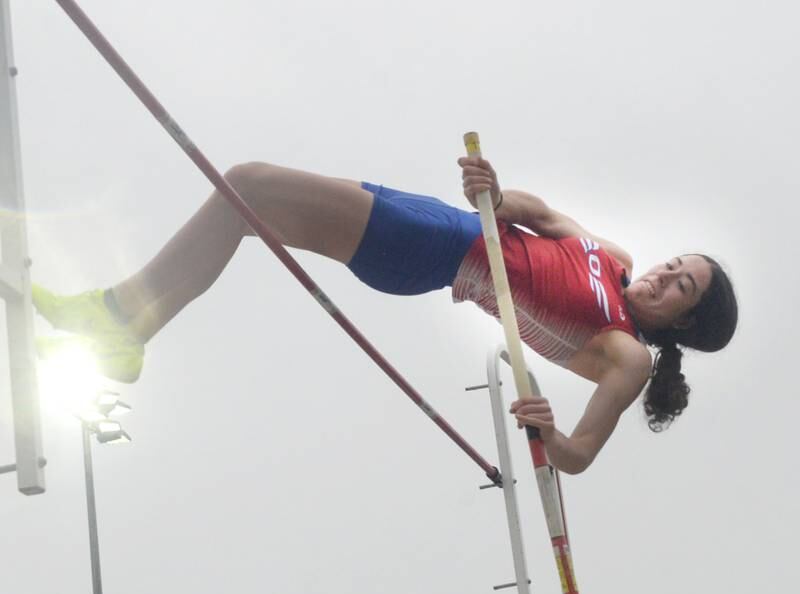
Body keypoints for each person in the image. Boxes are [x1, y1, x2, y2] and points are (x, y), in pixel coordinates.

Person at [32, 156, 738, 473]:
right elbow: (543, 214)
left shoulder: (628, 355)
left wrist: (551, 434)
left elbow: (579, 457)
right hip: (443, 223)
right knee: (244, 205)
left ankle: (120, 316)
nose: (666, 274)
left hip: (436, 255)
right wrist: (498, 192)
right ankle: (125, 328)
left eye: (683, 289)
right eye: (677, 264)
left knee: (247, 187)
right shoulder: (611, 257)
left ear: (682, 324)